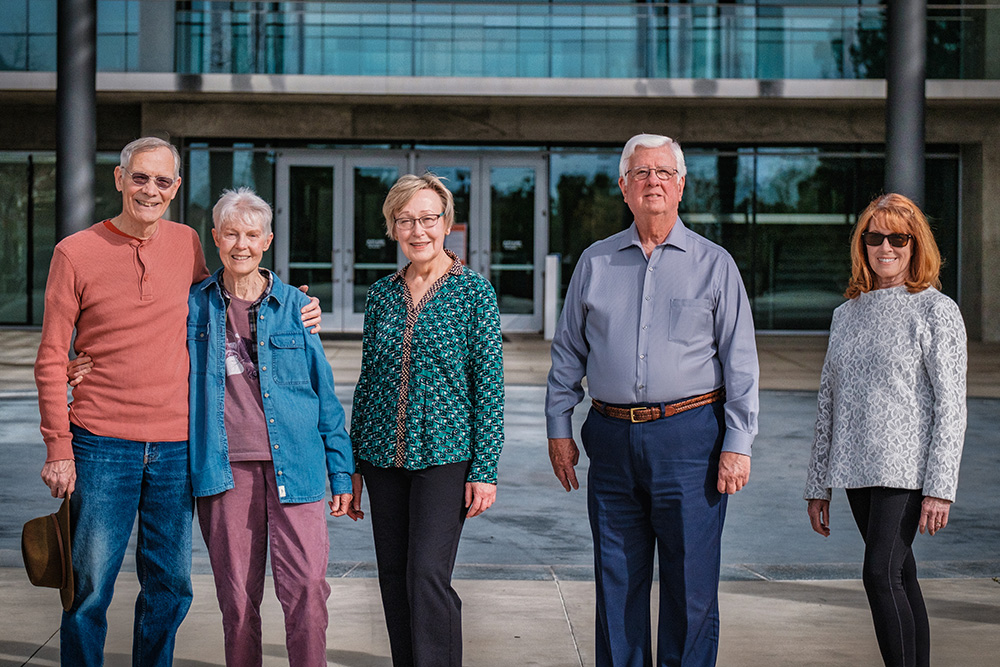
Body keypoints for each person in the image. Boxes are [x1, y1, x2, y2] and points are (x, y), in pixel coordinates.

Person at [34, 136, 319, 666]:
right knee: (90, 584)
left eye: (162, 181)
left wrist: (296, 307)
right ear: (119, 180)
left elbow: (224, 305)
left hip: (177, 446)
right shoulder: (74, 253)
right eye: (139, 177)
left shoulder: (187, 241)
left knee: (169, 585)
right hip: (101, 442)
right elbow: (52, 354)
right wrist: (58, 446)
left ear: (176, 187)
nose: (150, 189)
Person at [545, 133, 759, 667]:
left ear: (682, 185)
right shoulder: (594, 264)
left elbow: (741, 363)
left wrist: (739, 441)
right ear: (624, 187)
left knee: (691, 585)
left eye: (664, 173)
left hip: (691, 441)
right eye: (641, 173)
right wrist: (558, 426)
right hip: (611, 440)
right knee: (616, 581)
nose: (653, 182)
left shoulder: (715, 265)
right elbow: (568, 352)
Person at [186, 188, 353, 666]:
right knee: (236, 599)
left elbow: (325, 395)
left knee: (306, 591)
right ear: (215, 238)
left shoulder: (297, 308)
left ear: (268, 240)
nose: (242, 244)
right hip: (224, 472)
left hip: (297, 468)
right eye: (231, 233)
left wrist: (341, 472)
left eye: (252, 234)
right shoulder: (194, 306)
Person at [347, 173, 504, 667]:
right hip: (381, 457)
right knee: (394, 577)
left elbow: (490, 387)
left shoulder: (474, 293)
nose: (418, 230)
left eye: (428, 218)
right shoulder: (381, 296)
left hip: (445, 456)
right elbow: (368, 381)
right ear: (393, 227)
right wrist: (351, 462)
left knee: (427, 576)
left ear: (447, 223)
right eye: (406, 220)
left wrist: (484, 468)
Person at [805, 193, 967, 667]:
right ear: (863, 246)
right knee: (900, 575)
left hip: (906, 471)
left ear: (916, 245)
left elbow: (951, 405)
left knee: (879, 574)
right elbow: (828, 402)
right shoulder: (845, 315)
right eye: (875, 238)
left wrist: (940, 488)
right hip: (855, 469)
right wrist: (818, 485)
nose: (886, 248)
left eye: (899, 237)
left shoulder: (936, 311)